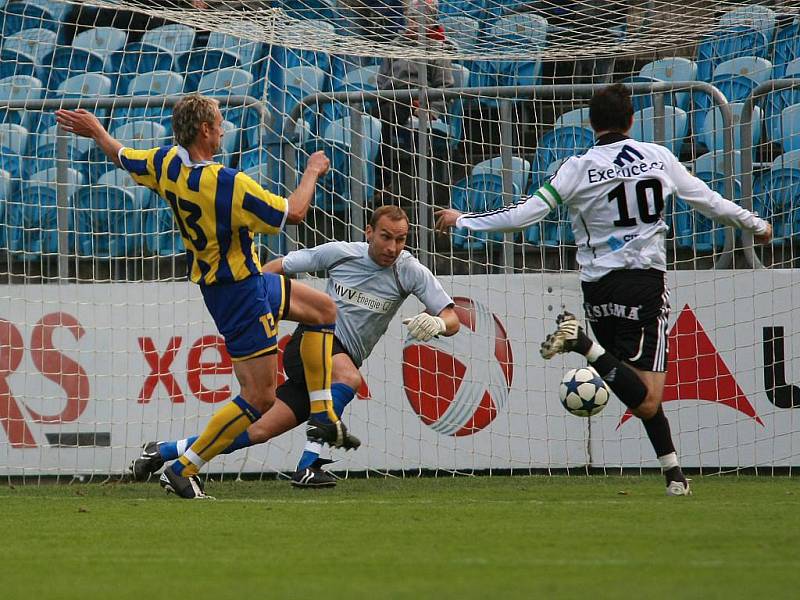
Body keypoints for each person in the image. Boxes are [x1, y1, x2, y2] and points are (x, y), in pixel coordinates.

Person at [435, 83, 773, 496]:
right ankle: (582, 344)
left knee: (637, 388)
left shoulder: (577, 166)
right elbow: (708, 200)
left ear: (592, 125)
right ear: (632, 120)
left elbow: (524, 215)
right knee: (647, 396)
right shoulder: (658, 157)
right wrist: (756, 225)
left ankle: (674, 476)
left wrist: (463, 219)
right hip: (643, 284)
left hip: (596, 289)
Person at [55, 94, 358, 500]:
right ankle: (183, 467)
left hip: (244, 282)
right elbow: (296, 213)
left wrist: (97, 131)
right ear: (204, 130)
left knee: (323, 309)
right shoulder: (227, 184)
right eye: (219, 123)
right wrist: (312, 171)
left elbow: (122, 156)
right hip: (238, 295)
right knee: (261, 397)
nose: (223, 129)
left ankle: (322, 413)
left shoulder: (166, 162)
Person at [130, 205, 460, 487]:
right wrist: (253, 299)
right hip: (311, 344)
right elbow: (281, 265)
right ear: (369, 231)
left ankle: (165, 451)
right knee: (349, 379)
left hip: (333, 366)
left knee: (258, 430)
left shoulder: (410, 271)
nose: (392, 247)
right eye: (386, 236)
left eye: (400, 240)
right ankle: (309, 464)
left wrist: (438, 323)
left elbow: (452, 317)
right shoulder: (341, 253)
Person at [373, 0, 456, 197]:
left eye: (417, 19)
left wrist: (431, 110)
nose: (413, 23)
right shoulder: (395, 46)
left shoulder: (437, 48)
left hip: (416, 101)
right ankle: (375, 181)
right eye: (410, 18)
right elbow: (381, 80)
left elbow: (445, 86)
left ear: (429, 21)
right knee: (370, 119)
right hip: (389, 98)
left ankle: (383, 182)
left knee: (381, 118)